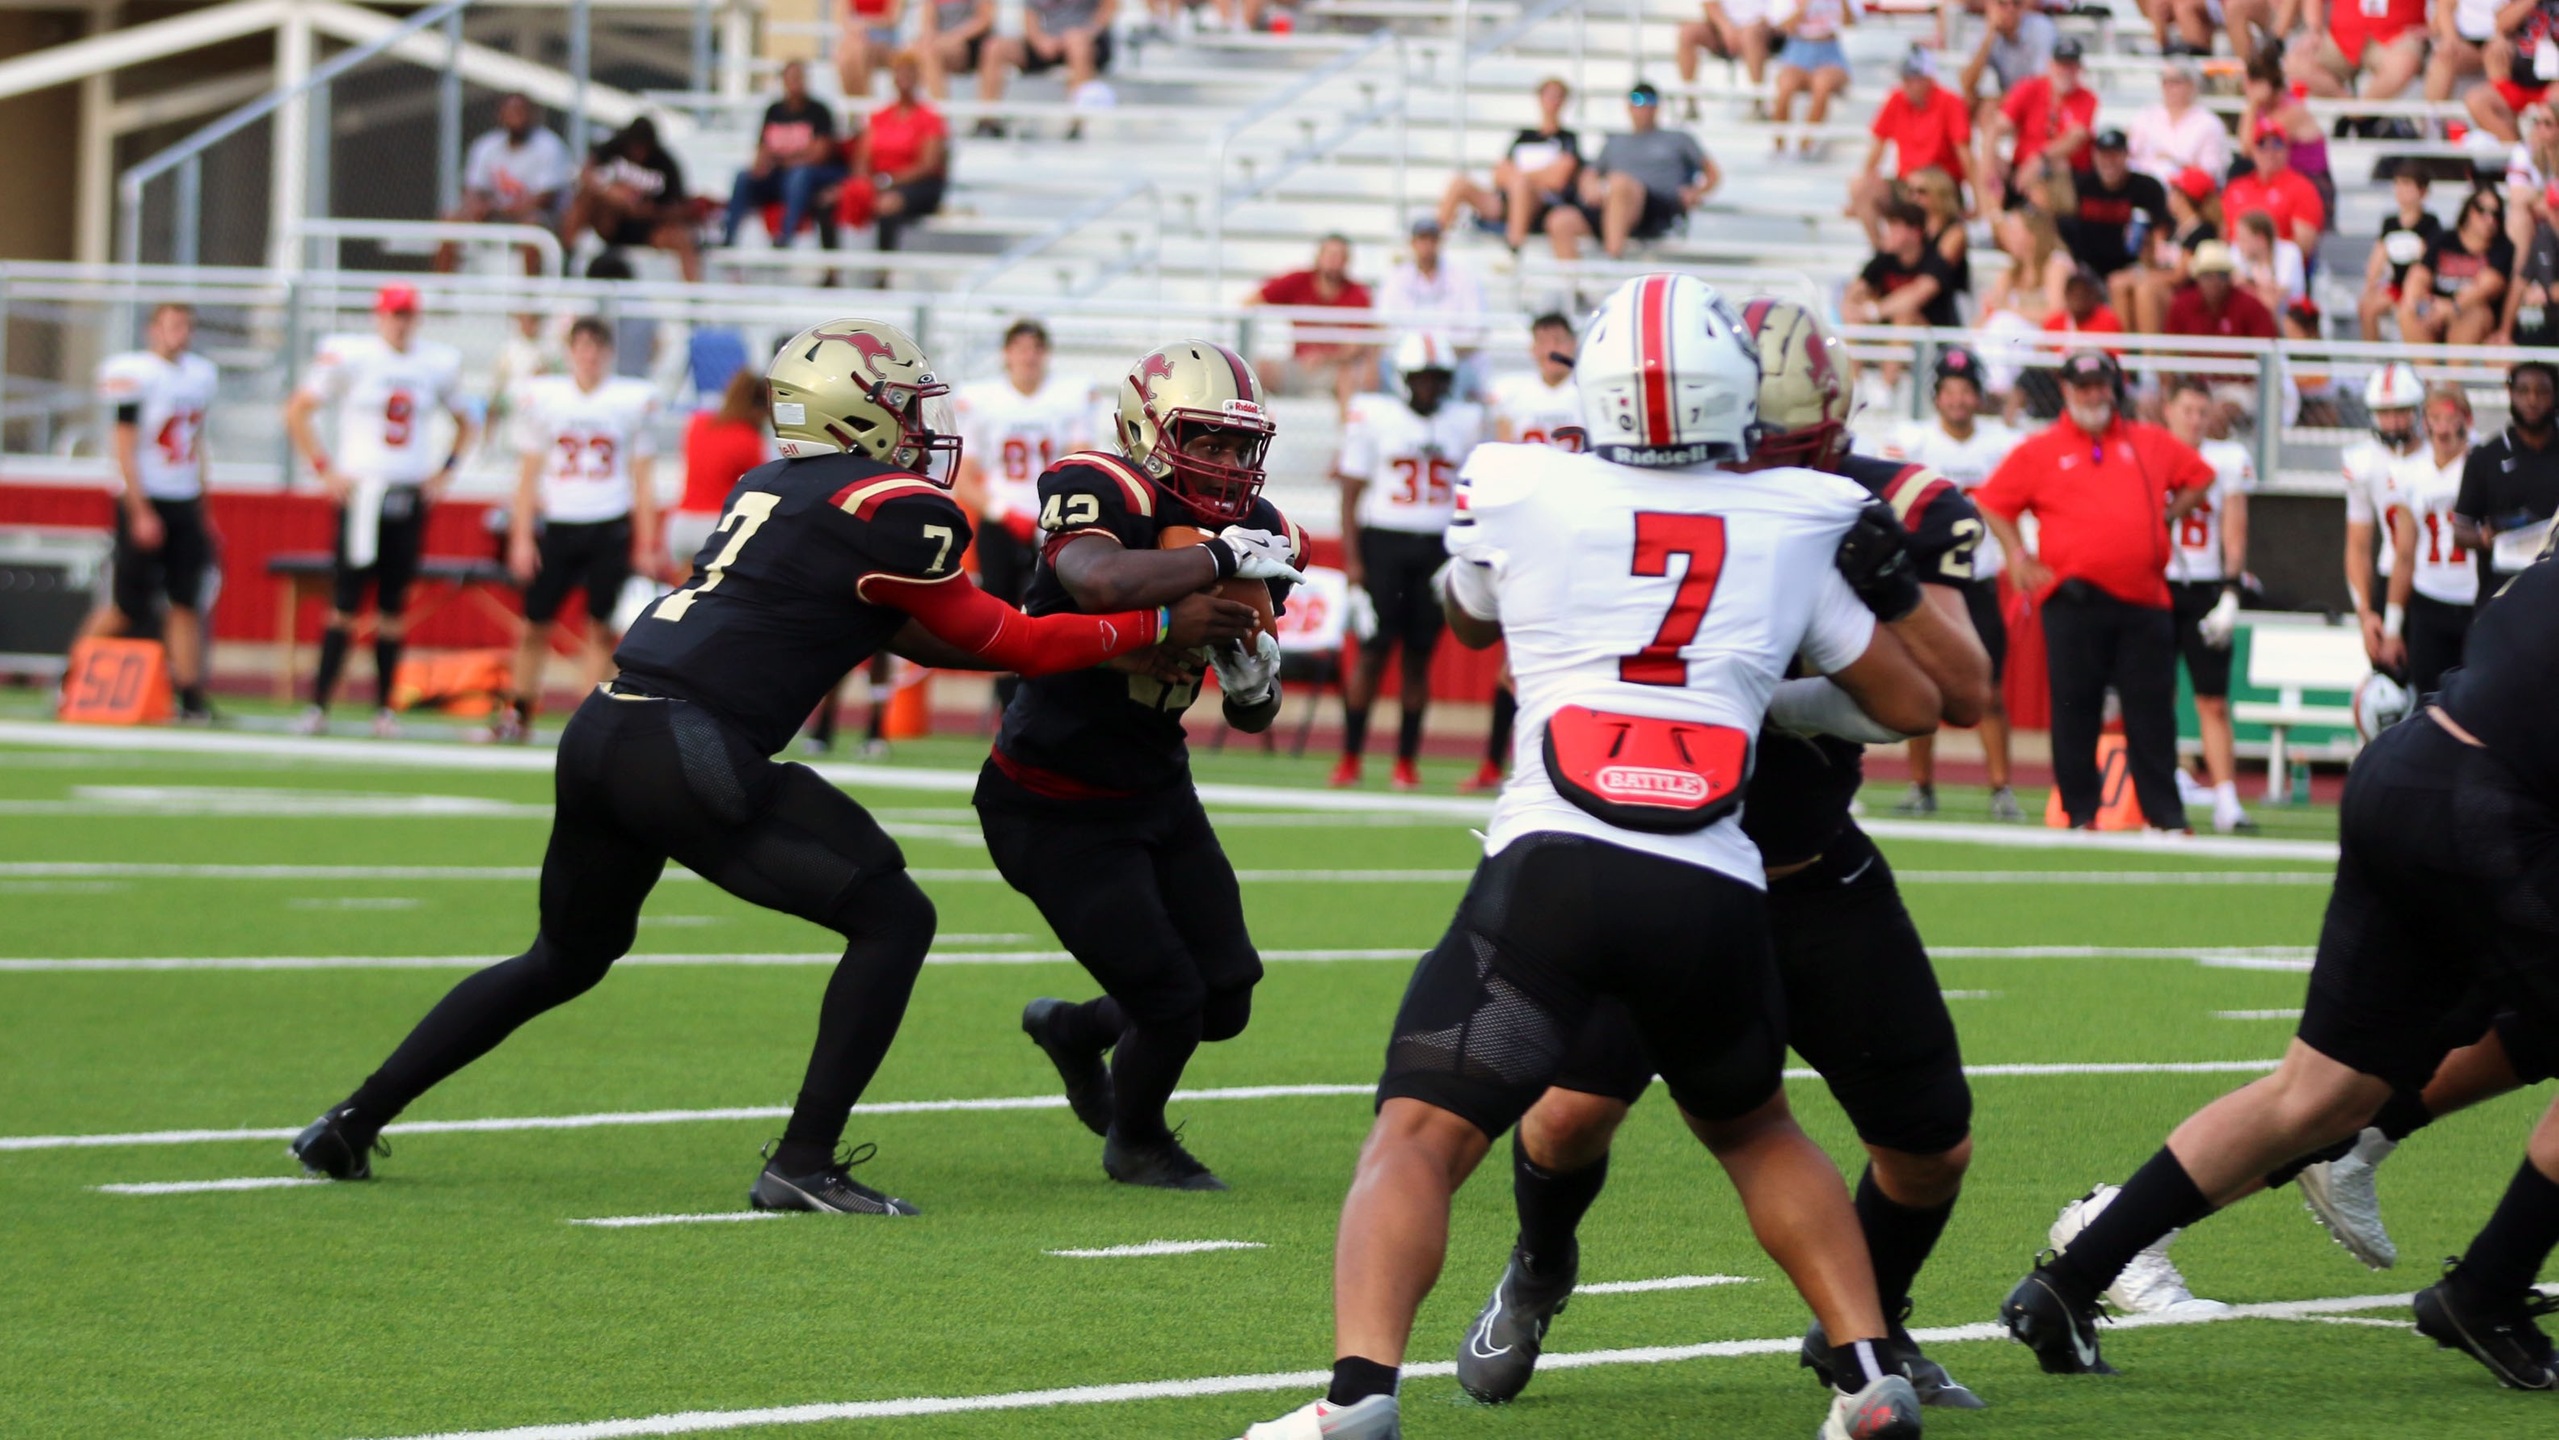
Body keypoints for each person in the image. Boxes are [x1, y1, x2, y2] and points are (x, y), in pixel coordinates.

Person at [288, 318, 1257, 1214]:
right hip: (691, 743)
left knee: (564, 956)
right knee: (893, 914)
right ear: (857, 413)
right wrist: (1167, 619)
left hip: (607, 726)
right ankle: (803, 1160)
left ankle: (350, 1120)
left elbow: (930, 640)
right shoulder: (896, 507)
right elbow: (1010, 639)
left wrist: (1113, 632)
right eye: (906, 406)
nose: (924, 425)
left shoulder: (769, 487)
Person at [1234, 274, 1950, 1440]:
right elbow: (1911, 700)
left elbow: (1467, 617)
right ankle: (1870, 1372)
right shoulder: (1798, 518)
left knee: (1419, 1135)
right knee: (1758, 1127)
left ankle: (1358, 1396)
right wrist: (1765, 678)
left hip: (1555, 867)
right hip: (1712, 883)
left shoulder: (1522, 482)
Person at [1442, 297, 1996, 1422]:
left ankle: (1866, 1328)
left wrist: (1875, 590)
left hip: (1810, 872)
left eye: (1785, 452)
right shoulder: (1627, 479)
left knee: (1930, 1147)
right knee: (1562, 1122)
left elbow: (1966, 691)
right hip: (1668, 866)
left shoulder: (1884, 502)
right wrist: (1757, 695)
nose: (1755, 468)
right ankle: (1539, 1272)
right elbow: (1534, 661)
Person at [1998, 550, 2559, 1392]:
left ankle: (2070, 1279)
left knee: (2319, 1093)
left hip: (2407, 767)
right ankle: (2487, 1290)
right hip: (2492, 812)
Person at [984, 339, 1304, 1192]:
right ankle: (1137, 1140)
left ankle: (1077, 1028)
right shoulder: (1103, 486)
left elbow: (1252, 709)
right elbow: (1095, 581)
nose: (1228, 463)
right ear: (1149, 430)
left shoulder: (1260, 528)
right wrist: (1217, 564)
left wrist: (1252, 679)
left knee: (1225, 993)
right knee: (1169, 997)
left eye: (1241, 446)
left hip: (1156, 785)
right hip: (1050, 797)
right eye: (1206, 441)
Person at [1975, 348, 2215, 832]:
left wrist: (2164, 515)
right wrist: (2018, 557)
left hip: (2144, 597)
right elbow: (1993, 502)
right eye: (2083, 386)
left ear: (2115, 387)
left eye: (2100, 384)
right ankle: (2079, 811)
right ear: (2066, 391)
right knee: (2074, 709)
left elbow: (2200, 477)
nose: (2093, 394)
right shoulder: (2041, 449)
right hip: (2073, 597)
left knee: (2151, 714)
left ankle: (2164, 815)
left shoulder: (2148, 441)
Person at [283, 284, 474, 738]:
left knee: (393, 605)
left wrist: (444, 471)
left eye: (407, 314)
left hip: (407, 493)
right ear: (379, 316)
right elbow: (297, 411)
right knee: (345, 603)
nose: (400, 323)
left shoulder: (435, 363)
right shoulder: (352, 355)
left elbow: (468, 420)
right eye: (393, 314)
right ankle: (319, 704)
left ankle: (383, 709)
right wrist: (324, 469)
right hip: (363, 494)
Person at [493, 319, 663, 742]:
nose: (589, 356)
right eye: (581, 347)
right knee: (534, 623)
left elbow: (642, 478)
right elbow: (527, 475)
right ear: (570, 352)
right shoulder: (546, 398)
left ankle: (594, 719)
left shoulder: (629, 400)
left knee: (600, 627)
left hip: (609, 523)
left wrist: (646, 541)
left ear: (608, 353)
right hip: (560, 523)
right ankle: (518, 711)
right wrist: (520, 536)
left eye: (596, 347)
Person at [1331, 332, 1485, 790]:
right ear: (1403, 379)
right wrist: (1354, 562)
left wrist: (1463, 551)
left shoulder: (1466, 421)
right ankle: (1351, 756)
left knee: (1419, 658)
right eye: (1421, 379)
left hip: (1437, 548)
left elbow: (1476, 494)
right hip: (1385, 543)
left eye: (1438, 379)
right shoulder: (1374, 416)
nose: (1430, 388)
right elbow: (1350, 491)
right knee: (1372, 655)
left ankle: (1405, 761)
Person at [1884, 346, 2025, 820]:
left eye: (1967, 391)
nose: (1959, 400)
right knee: (1921, 686)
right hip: (1925, 582)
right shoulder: (1914, 441)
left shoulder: (2001, 444)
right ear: (1937, 396)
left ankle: (2001, 788)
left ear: (1979, 395)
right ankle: (1921, 785)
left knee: (1990, 691)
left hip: (1977, 581)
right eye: (1950, 390)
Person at [951, 317, 1095, 714]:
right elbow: (963, 478)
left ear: (1045, 354)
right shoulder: (983, 398)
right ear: (1006, 354)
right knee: (998, 615)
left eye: (1035, 348)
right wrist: (1001, 511)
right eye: (1020, 348)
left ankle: (1048, 701)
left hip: (1050, 522)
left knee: (1052, 612)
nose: (1028, 357)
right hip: (1000, 520)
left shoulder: (1069, 396)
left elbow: (1080, 462)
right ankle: (1006, 709)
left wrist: (1052, 516)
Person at [88, 302, 219, 723]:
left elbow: (196, 441)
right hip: (146, 496)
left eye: (185, 325)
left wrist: (202, 501)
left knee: (186, 601)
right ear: (152, 330)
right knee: (127, 604)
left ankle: (192, 697)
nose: (178, 333)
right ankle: (72, 674)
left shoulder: (200, 374)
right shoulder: (135, 373)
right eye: (171, 325)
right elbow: (123, 444)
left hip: (183, 498)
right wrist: (139, 508)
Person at [1469, 313, 1582, 794]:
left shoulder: (1586, 391)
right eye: (1543, 339)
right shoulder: (1514, 393)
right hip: (1530, 533)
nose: (1550, 348)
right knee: (1516, 659)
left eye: (1559, 339)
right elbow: (1498, 456)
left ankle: (1545, 762)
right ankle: (1499, 763)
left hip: (1579, 534)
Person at [2159, 379, 2255, 834]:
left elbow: (2235, 530)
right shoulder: (2148, 452)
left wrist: (2231, 592)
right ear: (2168, 411)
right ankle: (2159, 789)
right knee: (2154, 696)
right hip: (2156, 586)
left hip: (2204, 588)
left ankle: (2226, 800)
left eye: (2202, 411)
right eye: (2187, 410)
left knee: (2212, 700)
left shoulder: (2227, 459)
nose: (2194, 419)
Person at [1544, 81, 1718, 261]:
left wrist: (1696, 191)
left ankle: (1613, 259)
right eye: (1636, 102)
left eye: (1648, 102)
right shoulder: (1615, 142)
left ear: (1657, 107)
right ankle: (1574, 284)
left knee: (1620, 184)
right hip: (1614, 207)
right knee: (1560, 220)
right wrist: (1590, 185)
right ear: (1628, 107)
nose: (1642, 109)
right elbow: (1591, 173)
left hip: (1657, 208)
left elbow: (1712, 173)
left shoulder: (1678, 139)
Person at [2387, 384, 2480, 695]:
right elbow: (2403, 554)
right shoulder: (2409, 472)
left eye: (2449, 417)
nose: (2442, 426)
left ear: (2466, 421)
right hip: (2429, 597)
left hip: (2475, 599)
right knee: (2428, 701)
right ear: (2424, 422)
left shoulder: (2481, 465)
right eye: (2434, 417)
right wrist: (2391, 625)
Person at [2341, 362, 2426, 670]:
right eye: (2385, 412)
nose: (2392, 422)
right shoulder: (2363, 461)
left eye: (2401, 411)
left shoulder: (2438, 455)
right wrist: (2365, 613)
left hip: (2440, 579)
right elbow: (2358, 545)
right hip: (2390, 575)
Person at [1437, 77, 1582, 253]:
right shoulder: (1523, 136)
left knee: (1521, 186)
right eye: (1548, 95)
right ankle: (1432, 240)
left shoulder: (1568, 138)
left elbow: (1558, 178)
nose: (1551, 100)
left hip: (1541, 206)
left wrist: (1520, 176)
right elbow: (1499, 174)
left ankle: (1514, 248)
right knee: (1459, 183)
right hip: (1507, 201)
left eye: (1557, 95)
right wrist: (1537, 175)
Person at [2455, 358, 2559, 603]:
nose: (2532, 400)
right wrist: (2486, 536)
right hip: (2501, 593)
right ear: (2509, 393)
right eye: (2523, 391)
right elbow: (2461, 530)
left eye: (2542, 391)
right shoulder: (2485, 457)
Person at [440, 93, 573, 274]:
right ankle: (443, 288)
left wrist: (496, 207)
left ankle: (529, 296)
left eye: (520, 111)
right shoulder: (486, 146)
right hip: (494, 216)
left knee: (532, 225)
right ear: (499, 115)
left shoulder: (549, 146)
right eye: (510, 111)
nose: (515, 116)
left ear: (532, 114)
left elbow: (543, 200)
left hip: (539, 219)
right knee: (450, 219)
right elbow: (472, 191)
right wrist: (477, 208)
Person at [721, 61, 847, 251]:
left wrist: (784, 157)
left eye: (799, 78)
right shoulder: (774, 111)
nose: (795, 83)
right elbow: (762, 150)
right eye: (791, 78)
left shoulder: (819, 111)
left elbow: (820, 153)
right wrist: (764, 164)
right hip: (778, 175)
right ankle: (728, 237)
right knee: (743, 176)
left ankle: (785, 236)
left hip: (807, 178)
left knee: (799, 175)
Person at [1852, 50, 1973, 244]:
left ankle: (1928, 247)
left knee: (1923, 183)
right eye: (1905, 78)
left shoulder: (1950, 102)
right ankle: (1884, 253)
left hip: (1941, 182)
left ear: (1928, 79)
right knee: (1860, 188)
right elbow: (1877, 148)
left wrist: (1977, 200)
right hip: (1907, 182)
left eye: (1912, 78)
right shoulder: (1896, 99)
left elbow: (1965, 154)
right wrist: (1861, 188)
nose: (1907, 84)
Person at [561, 116, 701, 282]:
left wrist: (650, 211)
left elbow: (681, 207)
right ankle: (565, 261)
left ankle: (694, 296)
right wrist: (614, 194)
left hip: (647, 228)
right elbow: (586, 175)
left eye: (643, 146)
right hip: (609, 222)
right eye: (635, 144)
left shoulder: (666, 164)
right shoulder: (612, 149)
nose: (638, 151)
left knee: (682, 237)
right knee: (584, 199)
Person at [1249, 234, 1375, 419]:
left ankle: (1345, 440)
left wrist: (1324, 358)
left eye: (1339, 256)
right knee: (1255, 371)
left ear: (1347, 261)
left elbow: (1355, 347)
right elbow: (1251, 301)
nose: (1334, 261)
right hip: (1298, 365)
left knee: (1347, 377)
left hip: (1334, 370)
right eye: (1330, 255)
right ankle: (1254, 430)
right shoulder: (1298, 281)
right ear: (1319, 257)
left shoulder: (1357, 294)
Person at [674, 366, 770, 573]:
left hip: (682, 523)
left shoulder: (697, 423)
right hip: (716, 524)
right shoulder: (749, 440)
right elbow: (761, 490)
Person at [854, 52, 950, 251]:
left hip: (919, 185)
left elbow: (928, 166)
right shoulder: (879, 117)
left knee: (888, 204)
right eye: (900, 73)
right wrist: (866, 182)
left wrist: (888, 181)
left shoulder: (930, 119)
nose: (904, 78)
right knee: (829, 200)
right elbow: (862, 157)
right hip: (882, 182)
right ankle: (832, 270)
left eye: (909, 73)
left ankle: (883, 271)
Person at [1990, 38, 2096, 214]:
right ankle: (1991, 220)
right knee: (1987, 163)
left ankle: (2045, 224)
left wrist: (2039, 160)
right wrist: (1990, 166)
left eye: (2071, 65)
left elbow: (2075, 138)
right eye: (2061, 64)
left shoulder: (2086, 98)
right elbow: (1997, 126)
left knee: (2058, 166)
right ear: (2051, 64)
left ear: (2079, 68)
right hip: (2023, 167)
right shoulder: (2029, 88)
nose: (2066, 71)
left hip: (2058, 172)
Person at [2401, 188, 2514, 345]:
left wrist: (2451, 308)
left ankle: (2457, 370)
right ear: (2468, 210)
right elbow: (2419, 275)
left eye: (2495, 213)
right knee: (2407, 310)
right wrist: (2422, 306)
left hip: (2471, 315)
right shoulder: (2444, 239)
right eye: (2482, 210)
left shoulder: (2502, 247)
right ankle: (2426, 368)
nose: (2489, 218)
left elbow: (2488, 286)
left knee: (2475, 314)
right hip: (2436, 310)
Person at [2116, 166, 2220, 335]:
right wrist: (2146, 247)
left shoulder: (2203, 231)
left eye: (2174, 191)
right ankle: (2125, 349)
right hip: (2167, 287)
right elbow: (2158, 264)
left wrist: (2144, 276)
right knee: (2118, 283)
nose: (2169, 196)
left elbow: (2180, 276)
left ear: (2184, 197)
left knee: (2146, 289)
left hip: (2189, 296)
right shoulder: (2173, 228)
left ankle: (2150, 357)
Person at [978, 0, 1117, 123]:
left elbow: (1109, 9)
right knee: (995, 48)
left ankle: (1078, 122)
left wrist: (1084, 34)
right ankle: (987, 120)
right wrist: (1040, 41)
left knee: (1076, 43)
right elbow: (1029, 18)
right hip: (1045, 42)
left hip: (1086, 41)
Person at [2062, 129, 2168, 283]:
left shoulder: (2147, 188)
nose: (2109, 161)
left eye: (2115, 155)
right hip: (2087, 267)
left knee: (2121, 283)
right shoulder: (2081, 185)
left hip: (2131, 266)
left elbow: (2162, 228)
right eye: (2103, 155)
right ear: (2094, 156)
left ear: (2126, 155)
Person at [1846, 199, 1964, 330]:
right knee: (1854, 318)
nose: (1888, 233)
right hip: (1887, 326)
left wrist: (1873, 311)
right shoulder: (1883, 258)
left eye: (1894, 227)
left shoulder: (1934, 258)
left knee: (1904, 317)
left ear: (1915, 232)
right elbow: (1856, 289)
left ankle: (1895, 350)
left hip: (1932, 336)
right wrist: (1857, 306)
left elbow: (1918, 294)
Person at [2359, 163, 2443, 341]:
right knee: (2367, 307)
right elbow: (2378, 257)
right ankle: (2372, 358)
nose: (2401, 191)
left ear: (2422, 191)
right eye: (2398, 184)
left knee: (2412, 311)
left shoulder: (2430, 223)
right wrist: (2370, 287)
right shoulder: (2390, 223)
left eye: (2407, 185)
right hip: (2396, 286)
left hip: (2421, 290)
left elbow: (2429, 260)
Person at [2286, 0, 2427, 100]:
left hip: (2395, 36)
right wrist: (2314, 29)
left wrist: (2434, 26)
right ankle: (2347, 107)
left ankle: (2363, 113)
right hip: (2342, 37)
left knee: (2403, 63)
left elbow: (2445, 6)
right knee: (2295, 62)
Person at [2222, 120, 2324, 255]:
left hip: (2279, 265)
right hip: (2236, 262)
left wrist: (2261, 252)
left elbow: (2304, 245)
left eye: (2277, 143)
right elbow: (2223, 235)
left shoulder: (2302, 188)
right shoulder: (2236, 187)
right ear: (2253, 151)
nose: (2270, 151)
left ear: (2287, 148)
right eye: (2262, 144)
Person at [1769, 0, 1854, 157]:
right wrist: (1804, 6)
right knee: (1785, 87)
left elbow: (1850, 23)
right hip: (1797, 48)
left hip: (1829, 48)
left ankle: (1806, 145)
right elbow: (1783, 27)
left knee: (1822, 86)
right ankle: (1779, 145)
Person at [2467, 0, 2559, 143]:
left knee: (2555, 103)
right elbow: (2501, 24)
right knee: (2477, 100)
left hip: (2553, 84)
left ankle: (2543, 158)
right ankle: (2519, 153)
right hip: (2518, 79)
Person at [2128, 61, 2228, 187]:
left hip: (2186, 190)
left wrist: (2176, 164)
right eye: (2165, 81)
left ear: (2191, 85)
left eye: (2175, 81)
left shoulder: (2209, 123)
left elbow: (2213, 171)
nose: (2169, 87)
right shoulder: (2146, 116)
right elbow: (2131, 153)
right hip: (2146, 187)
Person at [1677, 0, 1776, 89]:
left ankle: (1757, 101)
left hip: (1762, 30)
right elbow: (1709, 5)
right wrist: (1727, 29)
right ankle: (1689, 100)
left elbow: (1779, 10)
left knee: (1751, 35)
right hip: (1722, 30)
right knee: (1687, 32)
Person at [918, 0, 994, 99]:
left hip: (970, 43)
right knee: (919, 51)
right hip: (941, 42)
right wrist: (933, 39)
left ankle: (939, 107)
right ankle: (933, 106)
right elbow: (928, 24)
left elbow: (984, 20)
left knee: (930, 52)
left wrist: (953, 38)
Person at [838, 0, 903, 101]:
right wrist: (858, 29)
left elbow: (893, 19)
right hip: (858, 37)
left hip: (884, 40)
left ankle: (863, 104)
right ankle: (854, 105)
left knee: (859, 52)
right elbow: (844, 18)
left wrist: (865, 23)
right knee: (844, 56)